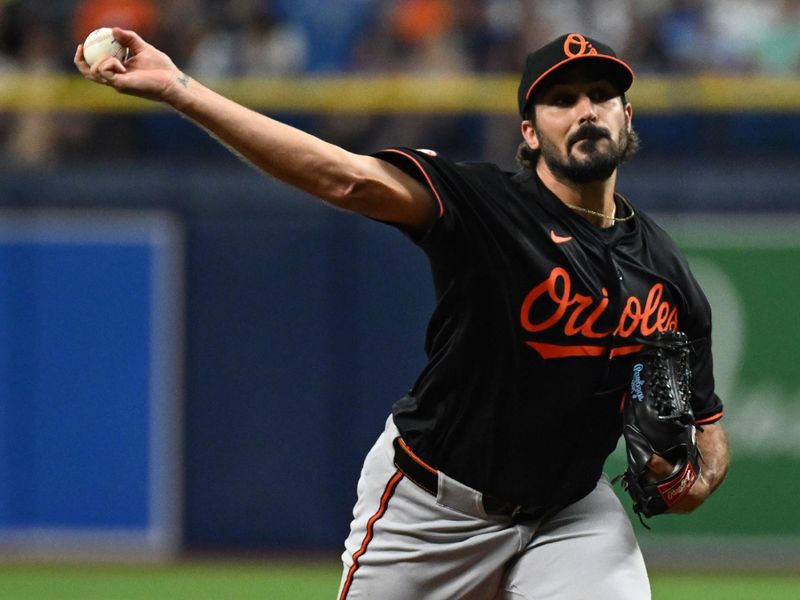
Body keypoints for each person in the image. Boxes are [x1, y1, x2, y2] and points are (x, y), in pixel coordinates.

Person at [75, 29, 730, 599]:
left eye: (601, 96)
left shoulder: (664, 270)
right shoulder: (487, 206)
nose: (586, 111)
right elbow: (348, 179)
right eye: (562, 100)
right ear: (529, 132)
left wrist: (689, 479)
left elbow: (708, 439)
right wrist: (181, 89)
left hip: (569, 511)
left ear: (627, 115)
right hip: (432, 505)